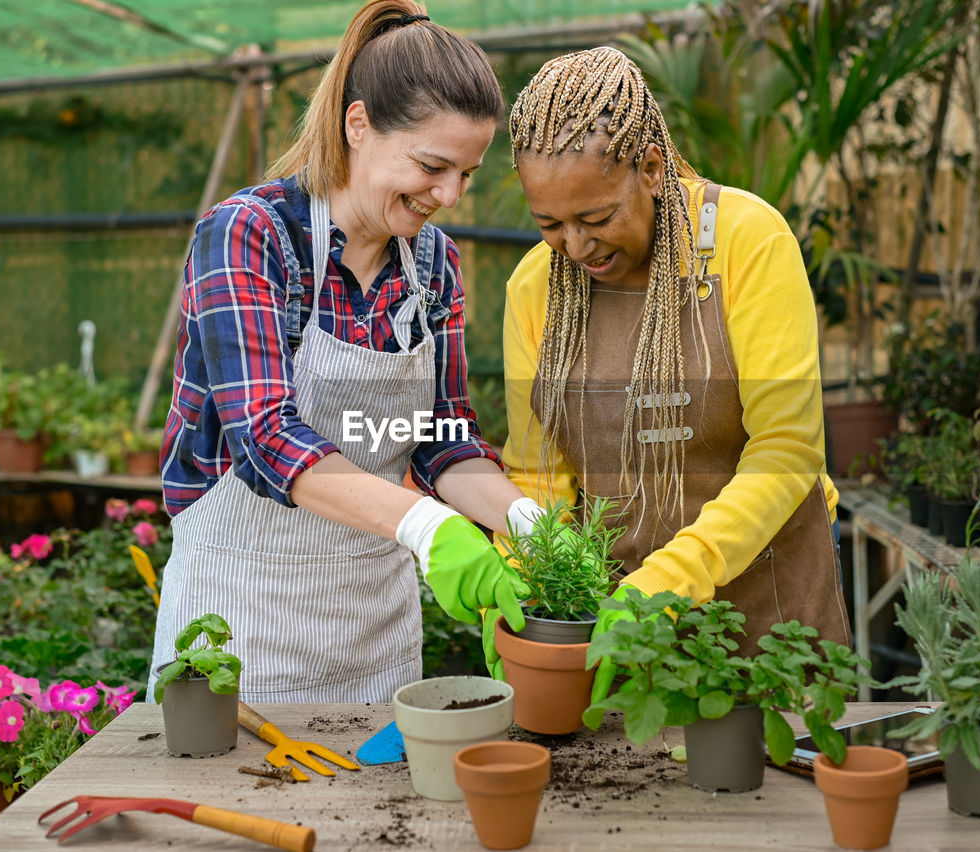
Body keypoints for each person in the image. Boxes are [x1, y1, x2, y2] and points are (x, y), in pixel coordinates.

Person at [151, 0, 547, 704]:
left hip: (374, 632)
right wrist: (427, 525)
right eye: (431, 165)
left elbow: (439, 439)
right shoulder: (249, 237)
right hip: (238, 626)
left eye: (468, 173)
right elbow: (266, 438)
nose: (449, 194)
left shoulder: (434, 266)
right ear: (357, 124)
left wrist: (524, 521)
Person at [492, 46, 851, 701]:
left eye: (595, 218)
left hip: (770, 597)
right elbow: (536, 475)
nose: (576, 246)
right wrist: (521, 589)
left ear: (651, 169)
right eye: (550, 224)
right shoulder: (534, 291)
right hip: (621, 626)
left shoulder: (746, 242)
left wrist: (675, 577)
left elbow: (788, 449)